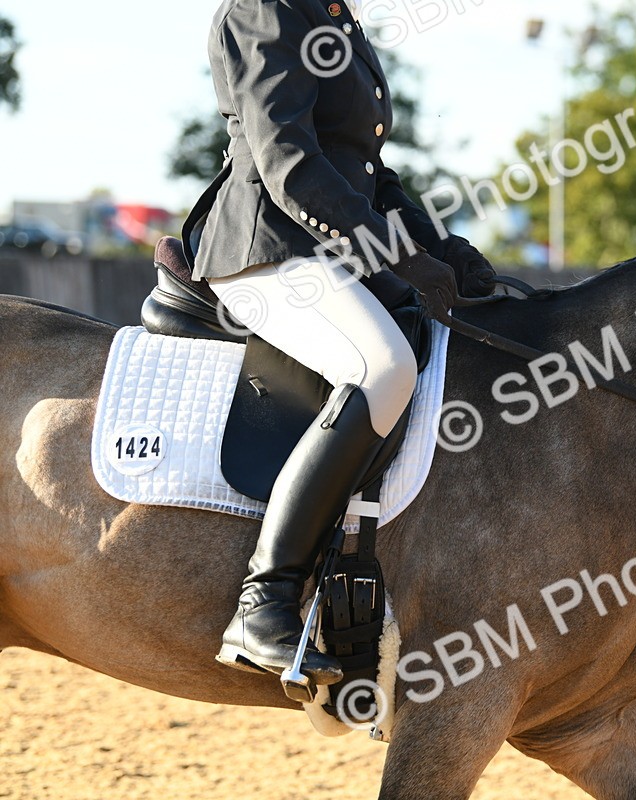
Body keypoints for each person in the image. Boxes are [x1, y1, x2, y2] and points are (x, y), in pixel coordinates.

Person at [188, 0, 495, 685]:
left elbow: (366, 174)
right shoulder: (266, 8)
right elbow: (288, 159)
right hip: (265, 250)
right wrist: (399, 255)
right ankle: (263, 600)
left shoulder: (332, 14)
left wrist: (443, 246)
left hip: (327, 253)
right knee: (381, 369)